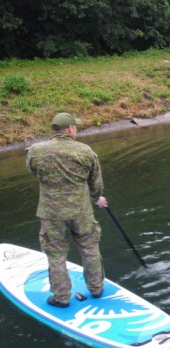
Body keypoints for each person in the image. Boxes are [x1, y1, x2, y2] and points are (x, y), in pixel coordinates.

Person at [25, 113, 107, 308]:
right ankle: (96, 288)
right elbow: (96, 182)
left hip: (51, 213)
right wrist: (98, 197)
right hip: (81, 212)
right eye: (75, 127)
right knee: (89, 249)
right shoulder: (85, 151)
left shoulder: (36, 151)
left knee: (56, 255)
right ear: (70, 129)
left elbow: (32, 171)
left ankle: (61, 298)